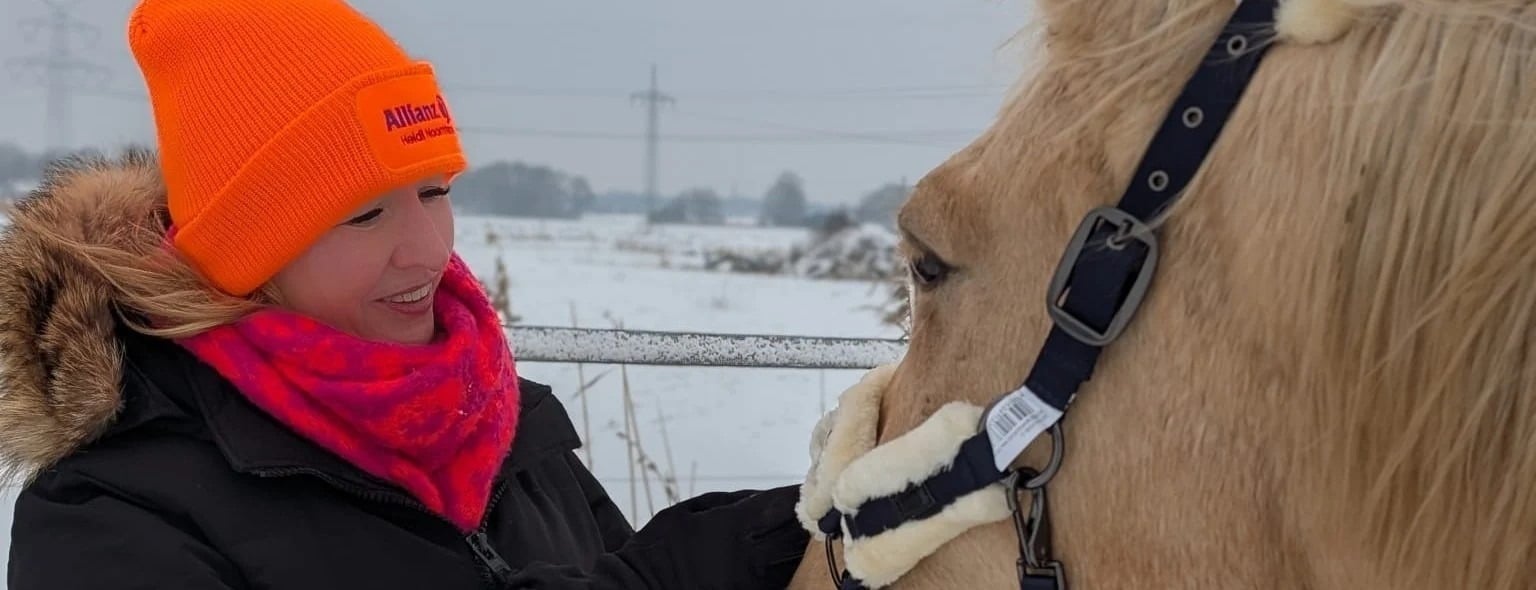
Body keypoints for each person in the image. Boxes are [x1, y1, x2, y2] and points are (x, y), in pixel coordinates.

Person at [0, 0, 809, 588]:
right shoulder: (110, 513)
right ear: (249, 250)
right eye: (363, 213)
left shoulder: (500, 420)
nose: (428, 250)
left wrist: (804, 534)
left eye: (435, 190)